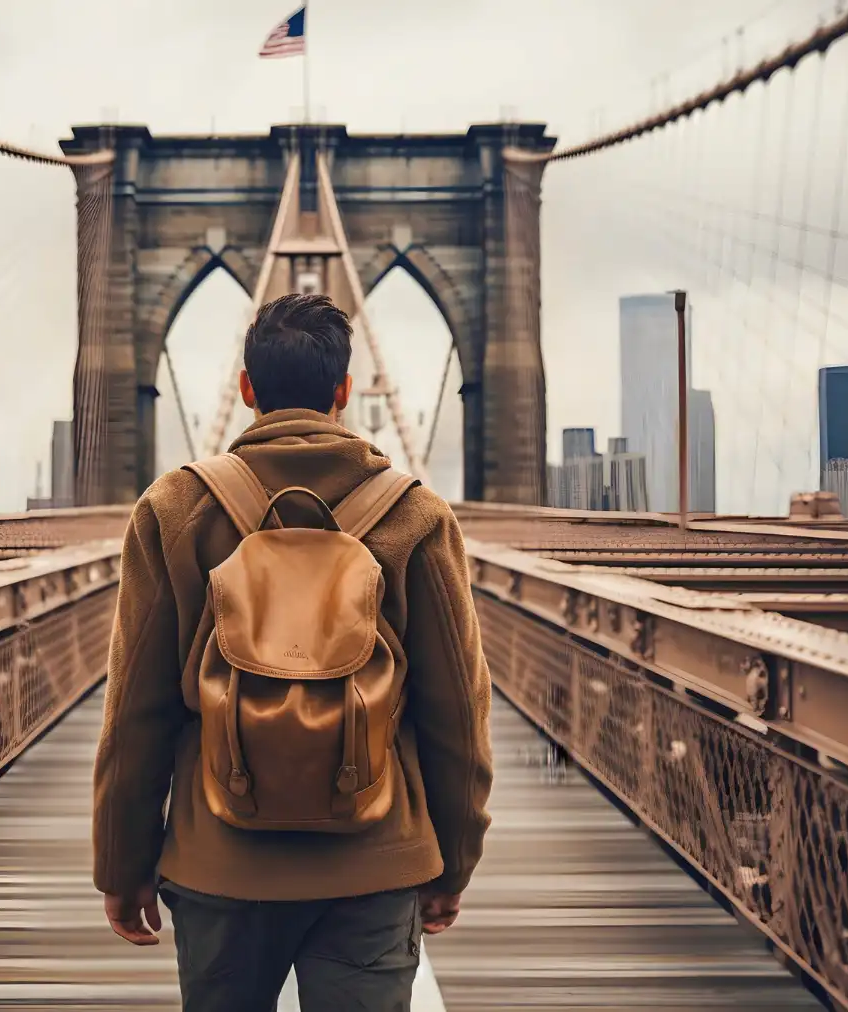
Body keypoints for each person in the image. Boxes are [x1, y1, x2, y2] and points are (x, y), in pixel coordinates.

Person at [92, 292, 493, 1011]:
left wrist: (121, 867)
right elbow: (456, 713)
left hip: (218, 866)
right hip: (374, 864)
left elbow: (135, 715)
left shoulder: (174, 510)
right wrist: (452, 862)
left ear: (247, 390)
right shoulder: (416, 515)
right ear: (343, 392)